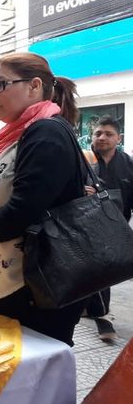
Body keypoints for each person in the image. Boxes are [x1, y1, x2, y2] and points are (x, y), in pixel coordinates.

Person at [0, 52, 87, 346]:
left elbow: (24, 209)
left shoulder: (47, 132)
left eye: (0, 85)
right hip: (6, 283)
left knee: (36, 376)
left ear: (34, 86)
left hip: (38, 287)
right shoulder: (9, 137)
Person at [82, 115, 133, 341]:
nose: (102, 138)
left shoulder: (129, 165)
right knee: (95, 269)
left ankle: (95, 310)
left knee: (104, 270)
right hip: (84, 225)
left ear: (118, 138)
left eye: (108, 134)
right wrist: (80, 192)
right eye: (98, 133)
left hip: (116, 226)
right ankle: (100, 314)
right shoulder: (81, 161)